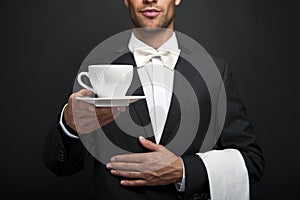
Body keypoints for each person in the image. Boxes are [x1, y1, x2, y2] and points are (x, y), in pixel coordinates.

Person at [43, 0, 264, 199]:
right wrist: (69, 126)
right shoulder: (98, 69)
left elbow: (251, 161)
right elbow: (60, 166)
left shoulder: (215, 71)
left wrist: (182, 170)